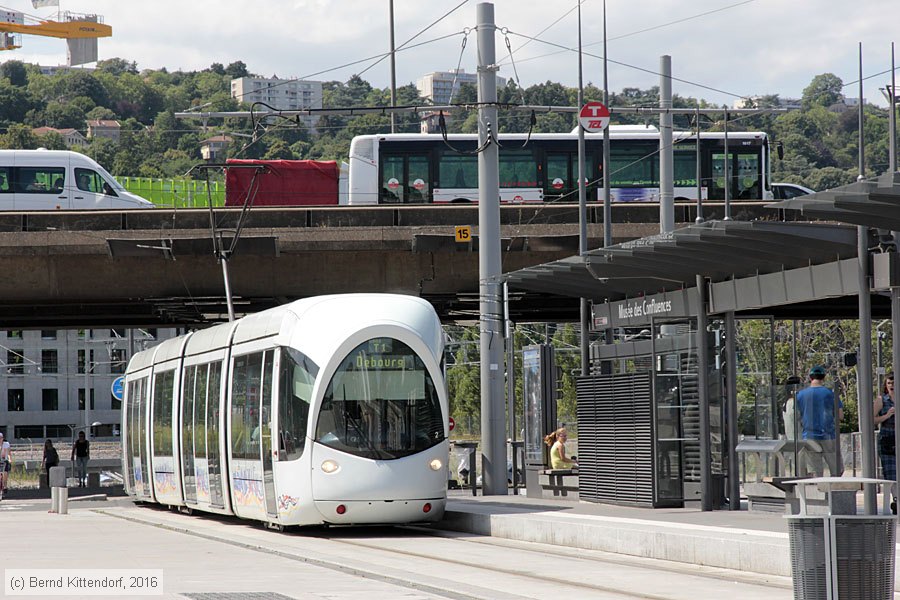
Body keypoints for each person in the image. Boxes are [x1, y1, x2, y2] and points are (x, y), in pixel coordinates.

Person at [796, 365, 843, 477]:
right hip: (828, 435)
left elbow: (797, 416)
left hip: (809, 436)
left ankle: (819, 493)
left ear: (810, 378)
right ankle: (834, 492)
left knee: (816, 471)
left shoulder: (800, 395)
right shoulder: (830, 393)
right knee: (836, 469)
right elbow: (840, 415)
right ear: (824, 377)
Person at [874, 373, 896, 513]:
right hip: (887, 437)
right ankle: (896, 499)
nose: (892, 386)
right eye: (889, 383)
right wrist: (887, 415)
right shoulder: (882, 400)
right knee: (891, 473)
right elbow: (872, 419)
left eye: (894, 383)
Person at [0, 432, 10, 500]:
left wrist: (10, 459)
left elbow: (9, 453)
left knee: (5, 474)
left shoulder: (6, 444)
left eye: (0, 438)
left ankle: (5, 486)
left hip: (4, 461)